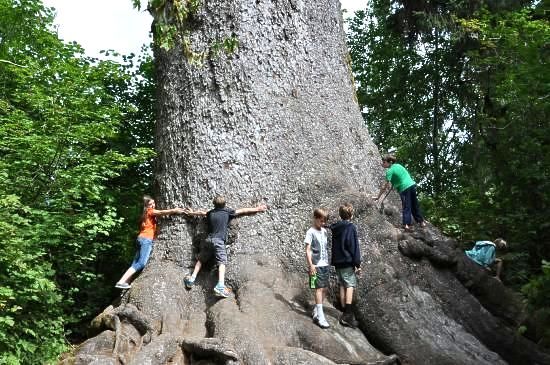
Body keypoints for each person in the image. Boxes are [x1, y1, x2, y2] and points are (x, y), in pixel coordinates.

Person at [183, 196, 268, 298]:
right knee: (222, 262)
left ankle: (191, 279)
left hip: (209, 240)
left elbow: (201, 213)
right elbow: (243, 210)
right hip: (219, 241)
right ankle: (220, 286)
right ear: (224, 205)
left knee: (201, 260)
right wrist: (258, 209)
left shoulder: (210, 213)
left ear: (214, 205)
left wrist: (192, 213)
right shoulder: (227, 212)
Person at [115, 195, 185, 289]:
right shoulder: (150, 211)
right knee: (141, 263)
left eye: (153, 203)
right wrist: (174, 210)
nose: (152, 205)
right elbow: (160, 212)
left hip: (140, 238)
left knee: (135, 262)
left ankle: (126, 282)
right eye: (150, 204)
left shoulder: (144, 214)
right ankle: (121, 282)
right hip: (146, 239)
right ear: (146, 206)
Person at [372, 155, 426, 231]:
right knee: (414, 204)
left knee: (406, 206)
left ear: (389, 162)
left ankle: (406, 225)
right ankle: (421, 222)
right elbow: (401, 176)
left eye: (384, 162)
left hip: (404, 188)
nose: (382, 164)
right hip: (411, 185)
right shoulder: (398, 166)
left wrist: (378, 197)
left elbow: (384, 186)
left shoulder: (389, 171)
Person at [330, 203, 361, 328]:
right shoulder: (350, 227)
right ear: (351, 214)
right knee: (350, 285)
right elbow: (353, 245)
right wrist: (357, 263)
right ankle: (347, 314)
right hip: (347, 261)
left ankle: (343, 310)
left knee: (343, 284)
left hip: (337, 262)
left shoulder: (335, 228)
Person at [305, 208, 330, 329]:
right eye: (321, 221)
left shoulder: (325, 231)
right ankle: (320, 315)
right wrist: (311, 265)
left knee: (325, 288)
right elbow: (308, 249)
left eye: (324, 221)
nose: (323, 223)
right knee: (318, 288)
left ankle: (316, 310)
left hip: (325, 264)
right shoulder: (310, 232)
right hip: (315, 265)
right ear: (315, 219)